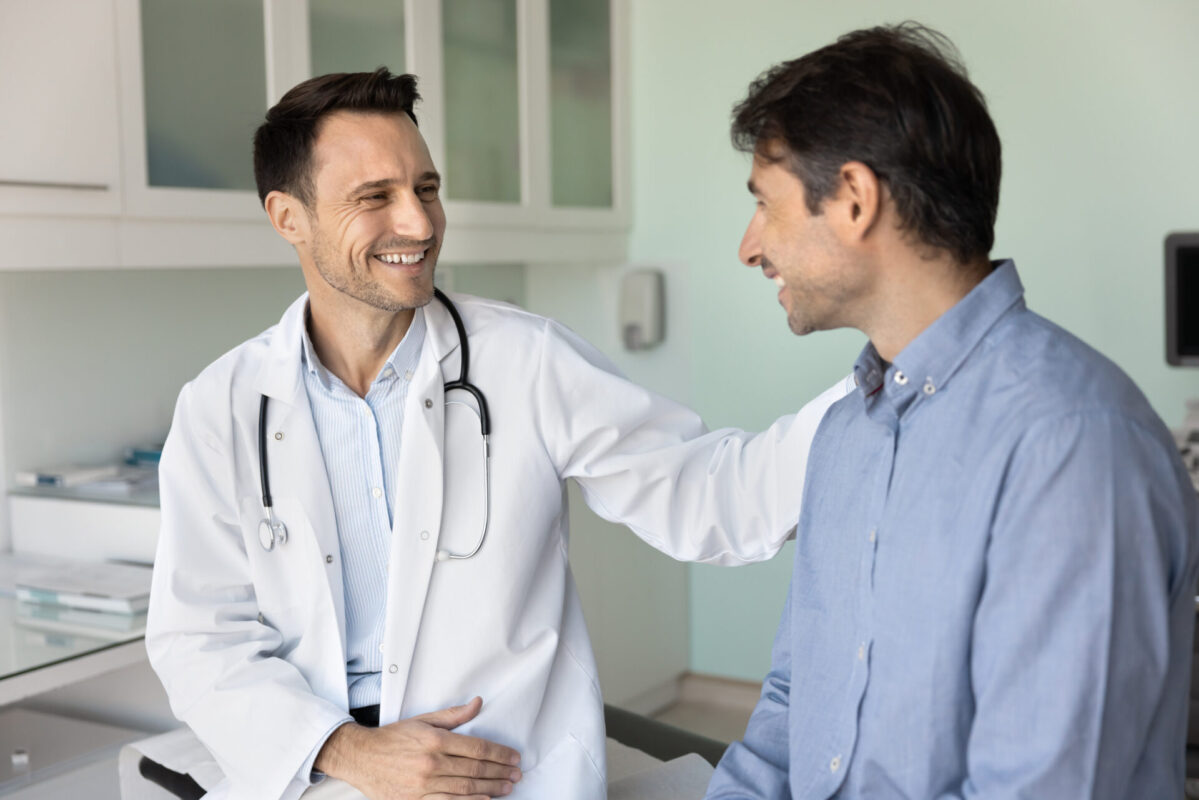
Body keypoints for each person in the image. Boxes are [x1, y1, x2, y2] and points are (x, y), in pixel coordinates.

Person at [145, 69, 850, 800]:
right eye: (375, 198)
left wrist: (892, 376)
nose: (419, 224)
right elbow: (199, 639)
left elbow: (714, 497)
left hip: (502, 775)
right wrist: (346, 750)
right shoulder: (222, 407)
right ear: (288, 217)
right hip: (315, 774)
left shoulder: (524, 359)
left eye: (424, 188)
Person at [704, 22, 1199, 800]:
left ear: (855, 201)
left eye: (766, 206)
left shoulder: (1073, 446)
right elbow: (791, 716)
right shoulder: (844, 436)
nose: (749, 245)